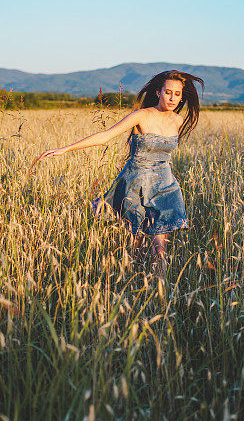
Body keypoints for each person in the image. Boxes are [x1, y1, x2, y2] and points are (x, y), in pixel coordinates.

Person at [34, 70, 204, 276]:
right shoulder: (141, 116)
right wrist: (64, 149)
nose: (172, 98)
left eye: (177, 94)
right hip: (136, 185)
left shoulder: (177, 121)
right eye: (168, 92)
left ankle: (161, 295)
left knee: (160, 249)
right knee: (138, 246)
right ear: (158, 92)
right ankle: (135, 287)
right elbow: (105, 136)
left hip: (165, 186)